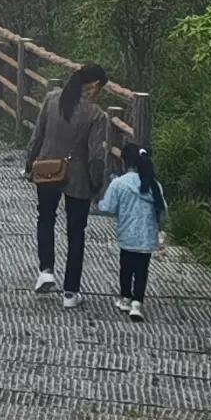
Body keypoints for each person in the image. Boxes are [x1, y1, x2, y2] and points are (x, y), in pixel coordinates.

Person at [22, 65, 114, 310]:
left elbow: (37, 136)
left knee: (46, 218)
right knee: (76, 233)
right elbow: (96, 157)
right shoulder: (96, 115)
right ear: (94, 86)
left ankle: (46, 271)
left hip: (47, 168)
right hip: (79, 178)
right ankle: (71, 292)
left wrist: (30, 164)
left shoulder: (52, 100)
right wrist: (97, 185)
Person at [96, 143, 167, 320]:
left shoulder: (119, 183)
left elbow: (108, 207)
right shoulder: (153, 184)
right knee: (142, 270)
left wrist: (98, 202)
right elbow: (162, 209)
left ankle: (125, 298)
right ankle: (137, 303)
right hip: (147, 235)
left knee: (126, 267)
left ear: (124, 161)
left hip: (127, 234)